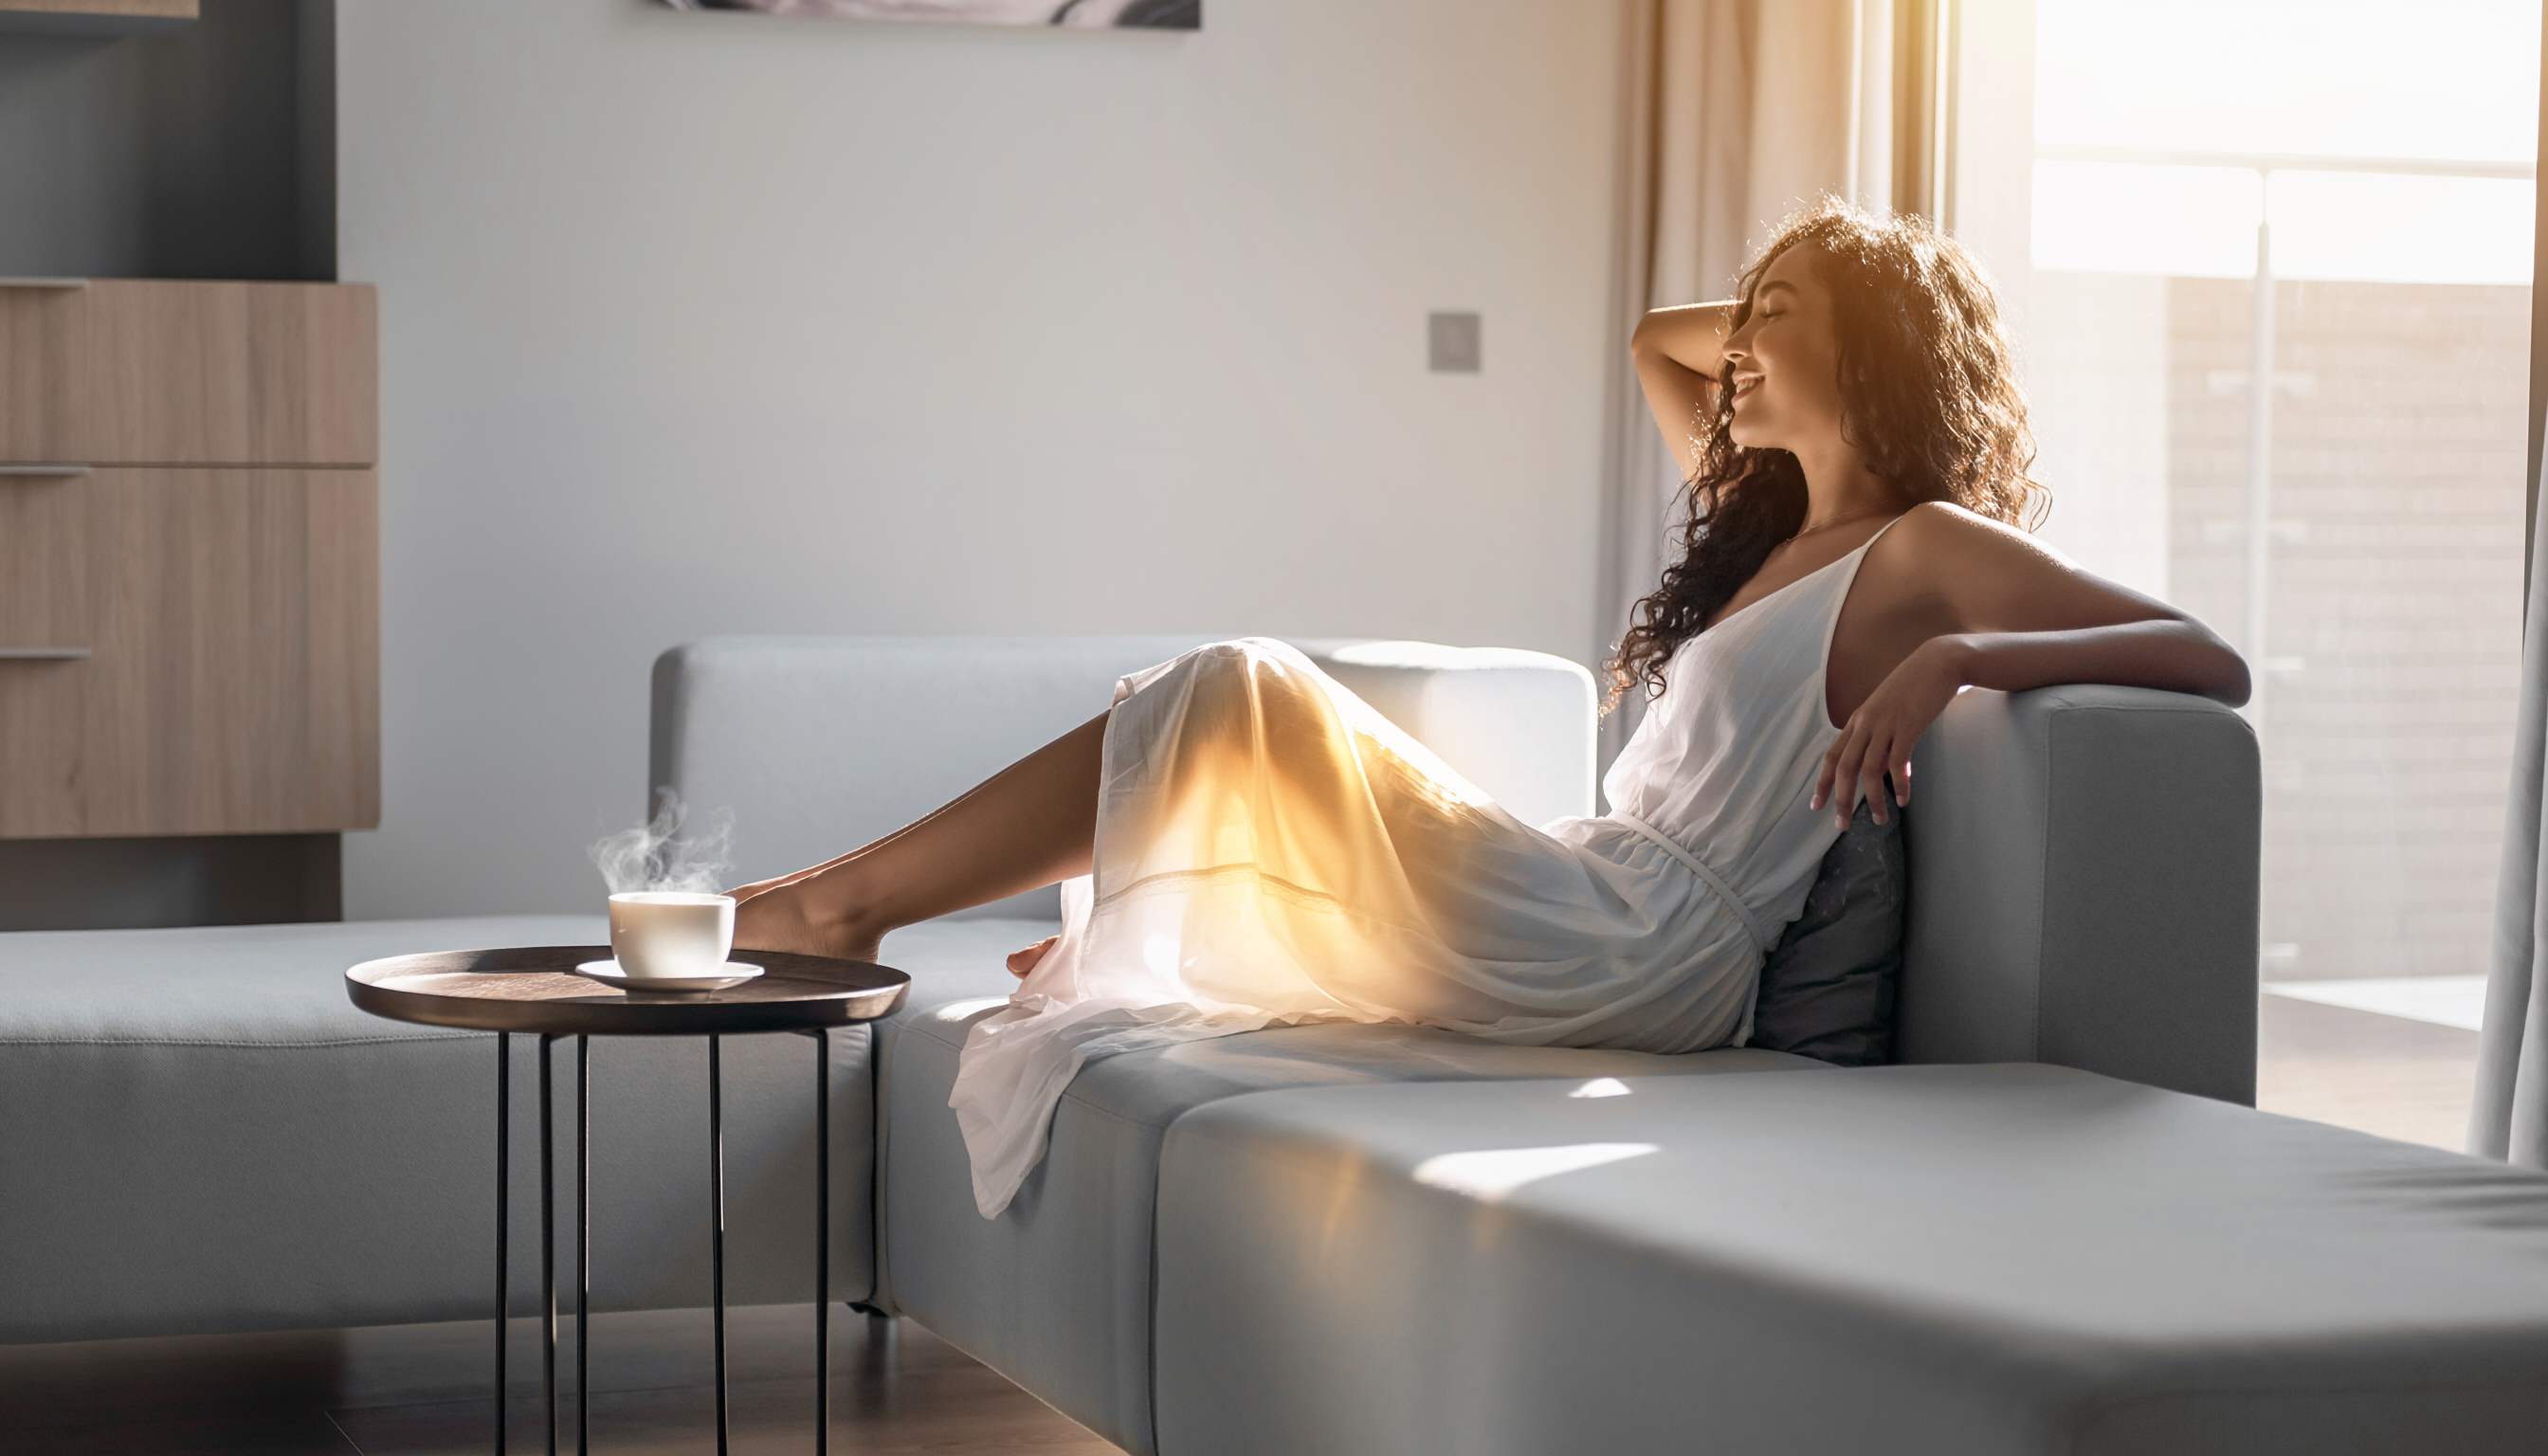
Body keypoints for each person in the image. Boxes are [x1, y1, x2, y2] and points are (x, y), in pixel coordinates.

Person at [731, 200, 2250, 1216]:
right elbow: (1661, 336)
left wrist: (1965, 660)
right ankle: (837, 901)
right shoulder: (1771, 531)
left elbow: (2205, 656)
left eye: (1778, 318)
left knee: (1233, 691)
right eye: (1758, 311)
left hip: (1662, 946)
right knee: (1228, 709)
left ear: (1863, 348)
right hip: (1599, 889)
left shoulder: (1918, 549)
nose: (1737, 347)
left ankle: (837, 906)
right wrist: (1808, 293)